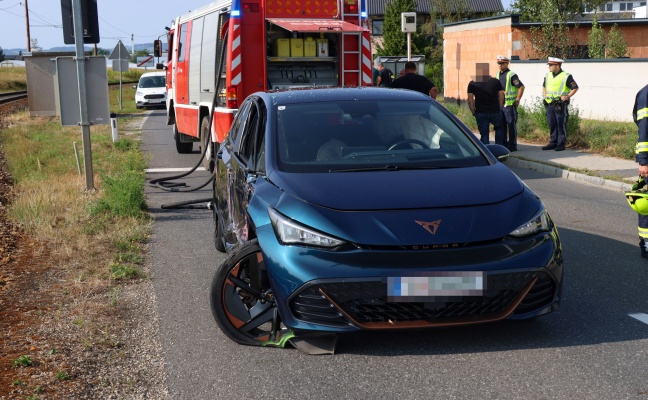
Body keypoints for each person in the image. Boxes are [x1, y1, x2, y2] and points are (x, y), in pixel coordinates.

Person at [541, 57, 579, 151]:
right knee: (552, 123)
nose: (549, 67)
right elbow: (544, 86)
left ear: (557, 65)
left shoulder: (566, 76)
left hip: (559, 104)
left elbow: (575, 87)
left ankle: (561, 143)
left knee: (560, 123)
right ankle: (553, 142)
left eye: (551, 65)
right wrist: (545, 96)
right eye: (549, 65)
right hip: (549, 103)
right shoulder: (548, 75)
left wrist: (567, 96)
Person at [466, 62, 505, 145]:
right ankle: (499, 149)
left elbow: (470, 101)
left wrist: (473, 112)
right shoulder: (496, 82)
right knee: (499, 129)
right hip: (495, 111)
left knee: (484, 134)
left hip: (481, 111)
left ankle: (486, 152)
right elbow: (501, 97)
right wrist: (498, 107)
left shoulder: (472, 83)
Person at [495, 55, 525, 152]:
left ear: (507, 63)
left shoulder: (511, 75)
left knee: (511, 125)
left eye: (502, 63)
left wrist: (517, 99)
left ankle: (512, 145)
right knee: (502, 125)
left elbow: (521, 87)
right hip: (500, 105)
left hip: (509, 104)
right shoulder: (497, 74)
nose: (500, 65)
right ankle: (503, 145)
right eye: (499, 63)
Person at [633, 84, 648, 260]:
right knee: (646, 205)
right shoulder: (646, 94)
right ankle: (646, 243)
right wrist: (644, 161)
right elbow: (644, 130)